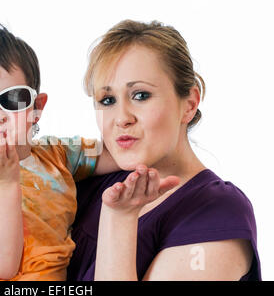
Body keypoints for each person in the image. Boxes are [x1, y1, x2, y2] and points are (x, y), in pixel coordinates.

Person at [0, 22, 180, 281]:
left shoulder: (57, 155)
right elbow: (1, 268)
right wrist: (2, 186)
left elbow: (119, 155)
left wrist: (156, 135)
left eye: (12, 100)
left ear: (36, 108)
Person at [67, 19, 261, 281]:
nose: (121, 118)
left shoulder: (217, 212)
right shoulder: (84, 182)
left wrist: (119, 219)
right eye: (107, 100)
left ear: (190, 104)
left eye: (140, 95)